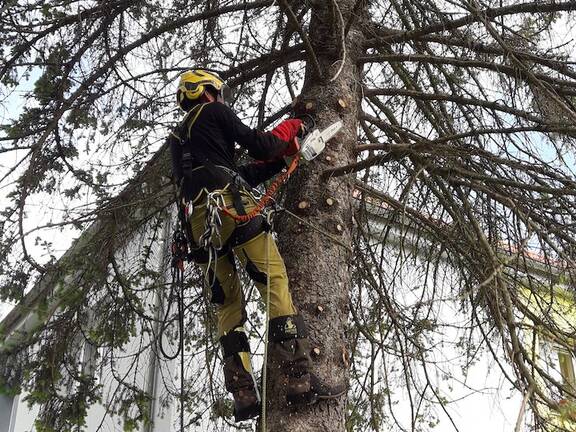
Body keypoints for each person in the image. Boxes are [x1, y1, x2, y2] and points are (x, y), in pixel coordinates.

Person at [168, 69, 345, 422]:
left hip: (199, 226)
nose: (220, 100)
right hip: (230, 206)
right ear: (208, 93)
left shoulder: (178, 138)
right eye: (218, 95)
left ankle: (244, 394)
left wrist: (280, 162)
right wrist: (293, 127)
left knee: (228, 306)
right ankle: (299, 378)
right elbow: (259, 145)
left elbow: (236, 172)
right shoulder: (215, 112)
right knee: (273, 280)